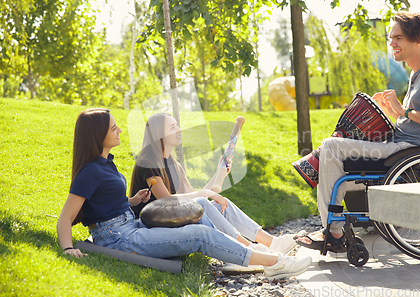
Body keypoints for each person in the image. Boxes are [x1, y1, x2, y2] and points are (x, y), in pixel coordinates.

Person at [57, 108, 312, 279]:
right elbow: (65, 218)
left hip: (130, 226)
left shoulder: (106, 164)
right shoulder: (92, 171)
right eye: (114, 128)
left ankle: (261, 254)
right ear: (97, 135)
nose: (119, 131)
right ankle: (273, 262)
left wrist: (132, 201)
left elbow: (105, 202)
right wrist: (68, 249)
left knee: (202, 211)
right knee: (200, 233)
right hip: (116, 237)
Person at [297, 11, 420, 251]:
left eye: (399, 38)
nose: (391, 43)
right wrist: (393, 111)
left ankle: (333, 232)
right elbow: (417, 119)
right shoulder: (417, 72)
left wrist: (403, 113)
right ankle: (333, 230)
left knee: (331, 146)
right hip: (400, 144)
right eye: (390, 37)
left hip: (407, 150)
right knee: (335, 156)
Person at [129, 113, 304, 255]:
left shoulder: (173, 163)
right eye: (172, 127)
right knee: (205, 201)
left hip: (172, 217)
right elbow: (166, 200)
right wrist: (206, 195)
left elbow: (192, 196)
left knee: (221, 206)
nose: (180, 130)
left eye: (177, 125)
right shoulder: (148, 161)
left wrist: (219, 173)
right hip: (151, 224)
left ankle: (272, 243)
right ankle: (246, 249)